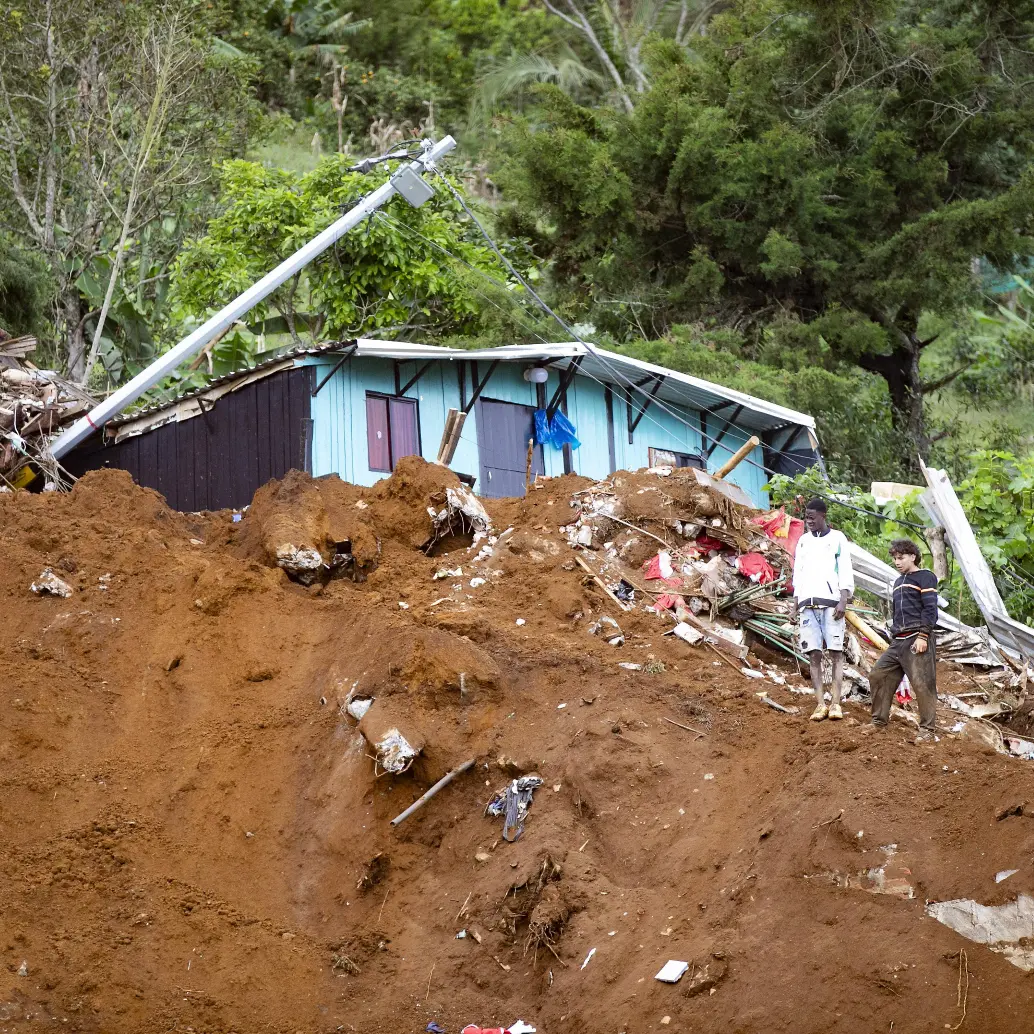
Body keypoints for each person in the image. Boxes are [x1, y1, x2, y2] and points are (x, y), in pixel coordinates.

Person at [789, 498, 855, 722]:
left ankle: (836, 703)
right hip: (807, 604)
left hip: (831, 604)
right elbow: (798, 572)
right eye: (806, 517)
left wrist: (843, 600)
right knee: (814, 654)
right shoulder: (804, 541)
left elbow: (845, 570)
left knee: (836, 652)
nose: (809, 521)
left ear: (823, 516)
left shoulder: (837, 539)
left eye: (813, 517)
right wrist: (795, 604)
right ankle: (820, 704)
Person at [869, 538, 940, 743]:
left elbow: (930, 609)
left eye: (901, 558)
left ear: (913, 556)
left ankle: (927, 731)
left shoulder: (925, 577)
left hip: (916, 637)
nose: (897, 562)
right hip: (898, 640)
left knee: (922, 684)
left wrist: (923, 635)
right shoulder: (899, 581)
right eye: (894, 558)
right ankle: (878, 722)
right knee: (878, 675)